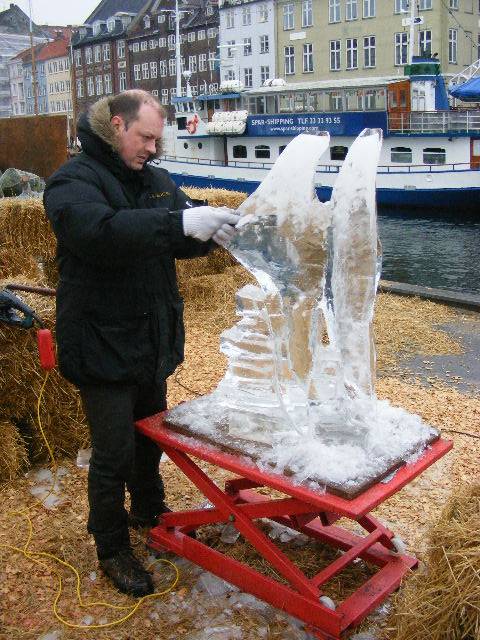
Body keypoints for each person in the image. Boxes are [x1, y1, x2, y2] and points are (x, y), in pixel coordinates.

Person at [43, 90, 238, 597]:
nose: (153, 147)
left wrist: (211, 231)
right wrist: (178, 222)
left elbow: (171, 238)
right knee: (114, 450)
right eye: (146, 137)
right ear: (116, 125)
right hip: (101, 343)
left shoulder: (155, 182)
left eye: (158, 138)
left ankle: (149, 510)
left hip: (149, 338)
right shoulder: (73, 180)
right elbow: (100, 234)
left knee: (150, 436)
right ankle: (111, 547)